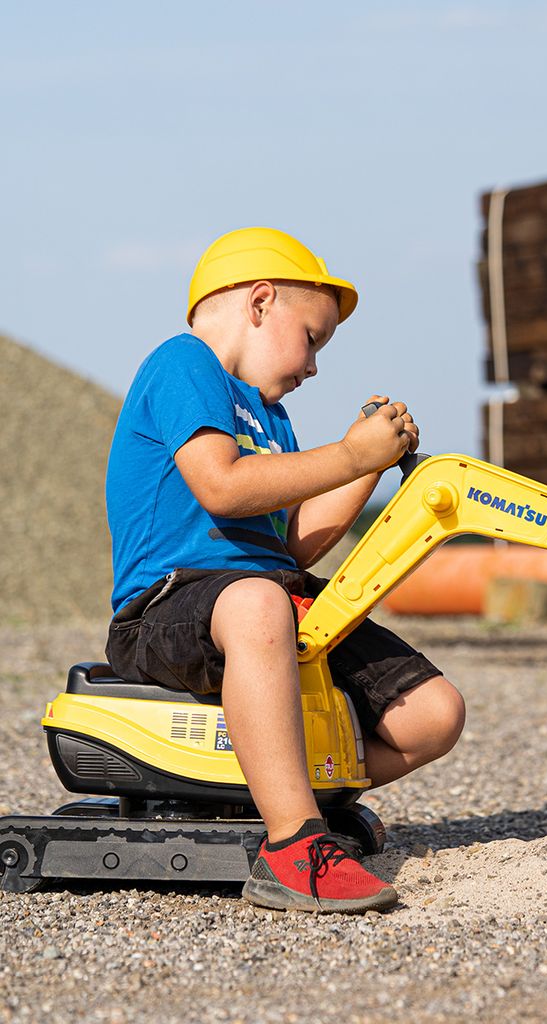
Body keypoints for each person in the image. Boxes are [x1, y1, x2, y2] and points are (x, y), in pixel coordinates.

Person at [104, 227, 466, 912]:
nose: (315, 367)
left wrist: (370, 471)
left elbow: (290, 547)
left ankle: (297, 790)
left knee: (433, 716)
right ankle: (294, 843)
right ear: (262, 302)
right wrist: (351, 456)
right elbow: (222, 487)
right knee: (257, 603)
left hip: (267, 593)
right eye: (314, 338)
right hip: (170, 605)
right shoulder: (184, 365)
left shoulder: (271, 418)